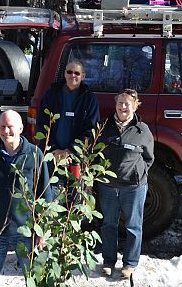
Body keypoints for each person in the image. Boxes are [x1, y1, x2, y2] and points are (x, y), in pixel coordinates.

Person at [0, 111, 53, 287]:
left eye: (10, 126)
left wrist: (43, 231)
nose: (6, 131)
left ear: (21, 128)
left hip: (26, 230)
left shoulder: (34, 154)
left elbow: (45, 194)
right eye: (2, 127)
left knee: (33, 278)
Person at [97, 89, 154, 280]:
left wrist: (138, 173)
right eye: (120, 103)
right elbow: (94, 152)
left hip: (133, 187)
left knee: (133, 226)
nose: (122, 107)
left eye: (127, 104)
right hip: (108, 186)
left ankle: (130, 263)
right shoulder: (104, 126)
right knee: (109, 224)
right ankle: (108, 261)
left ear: (135, 106)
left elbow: (149, 158)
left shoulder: (142, 130)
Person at [37, 59, 100, 167]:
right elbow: (42, 123)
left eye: (77, 73)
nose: (73, 75)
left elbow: (91, 130)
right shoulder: (51, 94)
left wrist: (69, 151)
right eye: (69, 72)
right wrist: (54, 149)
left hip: (76, 157)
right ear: (65, 73)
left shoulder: (90, 99)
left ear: (83, 76)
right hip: (51, 154)